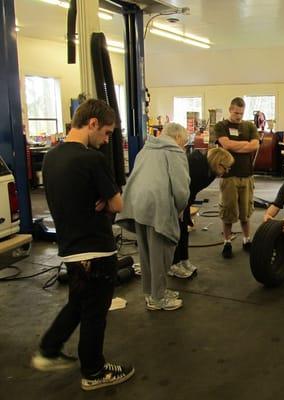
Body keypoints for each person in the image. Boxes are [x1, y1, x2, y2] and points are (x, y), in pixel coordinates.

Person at [31, 99, 134, 391]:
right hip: (97, 249)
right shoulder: (91, 159)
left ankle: (49, 349)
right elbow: (117, 202)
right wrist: (105, 202)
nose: (105, 141)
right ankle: (94, 370)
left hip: (71, 248)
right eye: (106, 133)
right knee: (94, 313)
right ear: (92, 124)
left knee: (78, 303)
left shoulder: (52, 157)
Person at [117, 123, 190, 311]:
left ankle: (152, 293)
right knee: (161, 254)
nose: (184, 146)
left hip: (137, 205)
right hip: (159, 206)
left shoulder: (145, 149)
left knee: (146, 252)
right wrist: (180, 210)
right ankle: (158, 298)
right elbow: (181, 189)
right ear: (178, 139)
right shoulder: (175, 152)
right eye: (184, 142)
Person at [168, 147, 235, 278]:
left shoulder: (211, 171)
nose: (226, 171)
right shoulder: (196, 166)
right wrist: (181, 208)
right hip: (172, 197)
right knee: (175, 231)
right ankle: (172, 265)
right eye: (225, 167)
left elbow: (192, 191)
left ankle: (183, 259)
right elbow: (182, 188)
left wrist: (186, 210)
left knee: (184, 229)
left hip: (185, 197)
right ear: (217, 162)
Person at [214, 97, 260, 258]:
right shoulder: (221, 126)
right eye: (236, 112)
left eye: (241, 113)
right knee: (228, 212)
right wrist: (245, 146)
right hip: (229, 176)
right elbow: (226, 145)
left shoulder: (249, 126)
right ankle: (227, 242)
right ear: (230, 109)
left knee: (245, 212)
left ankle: (247, 240)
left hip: (247, 175)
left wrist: (236, 146)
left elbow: (255, 145)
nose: (238, 116)